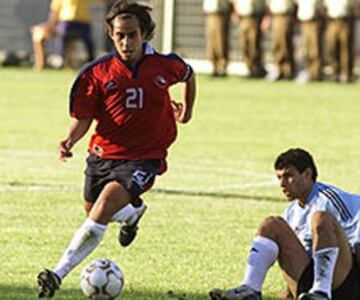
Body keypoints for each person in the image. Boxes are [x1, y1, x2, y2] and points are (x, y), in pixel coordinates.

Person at [36, 0, 196, 298]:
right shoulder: (95, 73)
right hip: (102, 155)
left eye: (132, 34)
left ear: (145, 33)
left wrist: (186, 112)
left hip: (144, 157)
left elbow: (188, 74)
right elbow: (84, 118)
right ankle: (133, 213)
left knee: (103, 207)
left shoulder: (164, 65)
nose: (126, 41)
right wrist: (69, 140)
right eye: (120, 35)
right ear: (111, 33)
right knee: (95, 210)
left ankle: (56, 274)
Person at [209, 148, 360, 300]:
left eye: (288, 176)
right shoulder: (292, 212)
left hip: (345, 284)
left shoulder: (332, 199)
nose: (282, 184)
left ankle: (321, 292)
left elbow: (356, 244)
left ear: (307, 174)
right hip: (307, 286)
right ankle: (250, 289)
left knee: (320, 218)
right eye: (279, 177)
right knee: (271, 224)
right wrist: (289, 291)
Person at [31, 0, 99, 70]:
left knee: (86, 41)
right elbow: (55, 11)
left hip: (81, 23)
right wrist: (51, 25)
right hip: (67, 22)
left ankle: (91, 61)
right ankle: (58, 58)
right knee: (41, 34)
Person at [233, 0, 267, 78]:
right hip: (243, 17)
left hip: (254, 16)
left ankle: (257, 68)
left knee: (254, 45)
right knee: (245, 44)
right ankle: (250, 68)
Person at [323, 0, 355, 83]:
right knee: (332, 48)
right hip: (332, 21)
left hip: (345, 20)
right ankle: (335, 73)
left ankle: (347, 74)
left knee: (346, 49)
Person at [266, 0, 296, 80]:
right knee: (277, 44)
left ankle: (287, 70)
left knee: (284, 44)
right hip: (275, 15)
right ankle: (278, 69)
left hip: (284, 15)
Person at [295, 0, 324, 81]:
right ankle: (307, 71)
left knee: (314, 49)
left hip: (314, 20)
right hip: (304, 19)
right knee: (306, 48)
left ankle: (315, 73)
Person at [203, 0, 233, 77]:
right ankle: (214, 66)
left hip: (221, 13)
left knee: (221, 42)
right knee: (212, 43)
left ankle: (222, 67)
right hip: (210, 13)